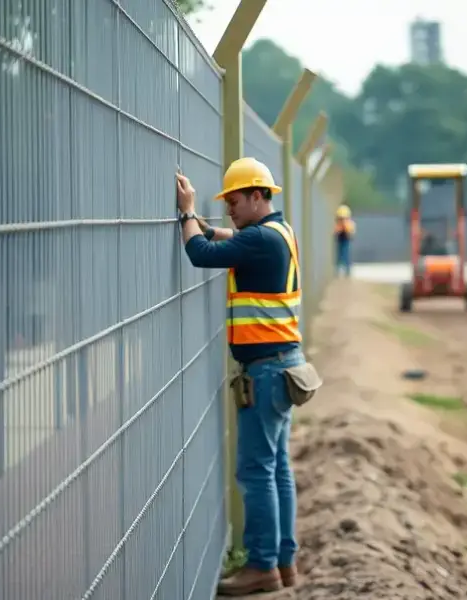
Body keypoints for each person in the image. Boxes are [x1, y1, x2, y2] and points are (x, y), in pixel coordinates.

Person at [175, 157, 315, 596]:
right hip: (283, 364)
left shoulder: (260, 240)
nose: (230, 209)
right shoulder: (277, 233)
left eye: (234, 201)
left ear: (258, 196)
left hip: (268, 370)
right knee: (277, 469)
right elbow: (232, 239)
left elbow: (200, 254)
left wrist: (186, 213)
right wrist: (206, 223)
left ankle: (261, 566)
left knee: (255, 471)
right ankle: (284, 561)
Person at [334, 205, 356, 277]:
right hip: (340, 240)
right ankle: (338, 271)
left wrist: (345, 227)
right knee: (339, 256)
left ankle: (347, 271)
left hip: (346, 240)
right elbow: (335, 232)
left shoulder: (349, 223)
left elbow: (350, 232)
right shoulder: (338, 224)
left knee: (346, 256)